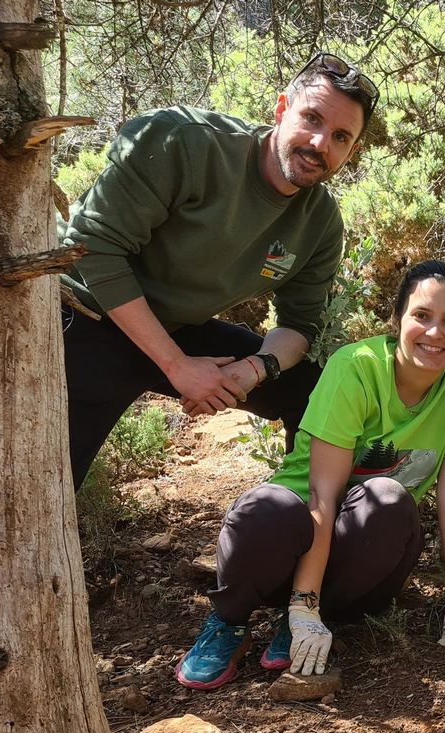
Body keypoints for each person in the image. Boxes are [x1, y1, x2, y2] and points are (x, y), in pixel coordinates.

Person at [176, 260, 445, 689]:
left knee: (389, 500)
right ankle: (230, 621)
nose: (435, 333)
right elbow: (321, 496)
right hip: (290, 538)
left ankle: (306, 619)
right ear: (397, 320)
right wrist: (303, 603)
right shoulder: (356, 367)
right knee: (266, 508)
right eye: (421, 316)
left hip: (353, 561)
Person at [59, 52, 379, 486]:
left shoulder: (319, 222)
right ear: (282, 108)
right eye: (312, 119)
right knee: (48, 486)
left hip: (179, 327)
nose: (321, 144)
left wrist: (252, 370)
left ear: (352, 149)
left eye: (341, 136)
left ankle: (298, 522)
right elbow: (91, 246)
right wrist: (178, 366)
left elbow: (300, 325)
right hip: (85, 316)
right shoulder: (182, 142)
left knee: (312, 391)